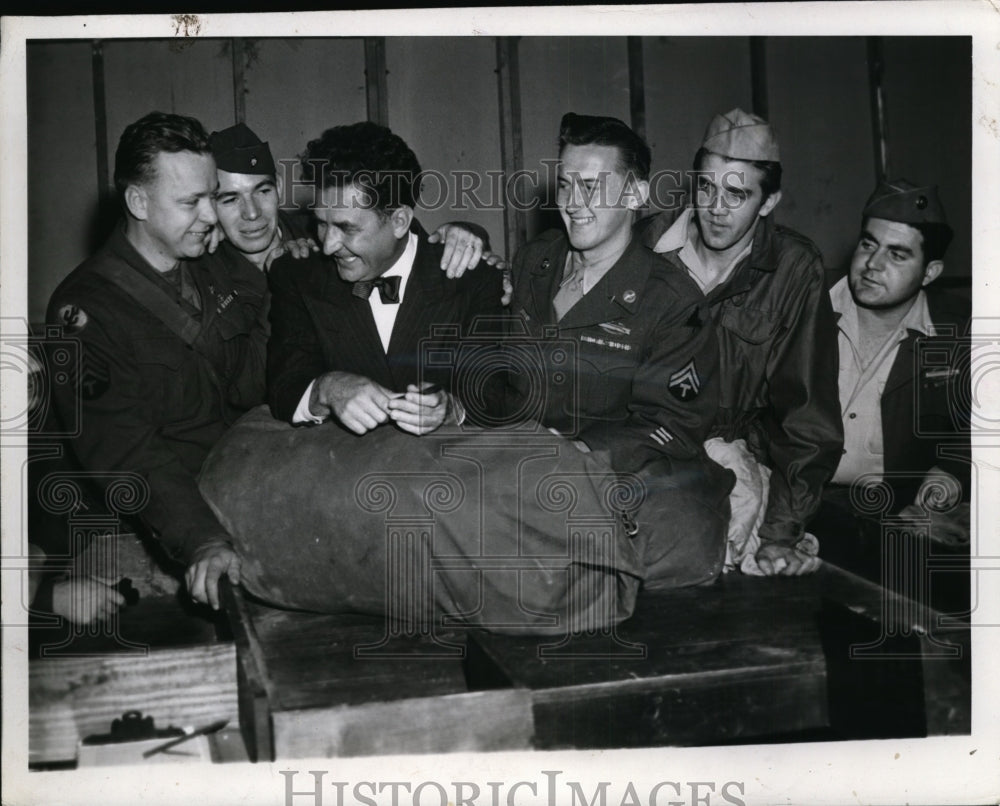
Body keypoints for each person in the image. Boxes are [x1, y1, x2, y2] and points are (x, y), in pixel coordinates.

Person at [502, 112, 734, 590]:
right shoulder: (534, 262)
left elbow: (674, 424)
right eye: (566, 186)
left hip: (620, 481)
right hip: (523, 472)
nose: (573, 204)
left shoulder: (671, 301)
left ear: (635, 195)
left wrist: (577, 454)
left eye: (592, 186)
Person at [46, 111, 266, 611]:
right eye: (191, 202)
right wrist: (202, 541)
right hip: (178, 522)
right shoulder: (84, 312)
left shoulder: (214, 264)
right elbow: (128, 456)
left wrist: (455, 234)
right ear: (138, 202)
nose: (212, 216)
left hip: (253, 481)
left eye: (212, 196)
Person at [635, 108, 843, 576]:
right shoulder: (644, 243)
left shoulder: (793, 268)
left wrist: (780, 533)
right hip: (643, 457)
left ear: (769, 202)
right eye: (706, 187)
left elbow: (806, 418)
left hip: (733, 469)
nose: (716, 208)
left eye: (737, 193)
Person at [266, 121, 504, 433]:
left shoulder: (473, 279)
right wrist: (326, 389)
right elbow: (282, 386)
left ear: (400, 221)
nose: (327, 245)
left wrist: (451, 409)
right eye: (321, 223)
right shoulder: (296, 274)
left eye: (347, 227)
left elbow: (496, 395)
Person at [822, 179, 970, 517]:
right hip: (792, 498)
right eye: (868, 244)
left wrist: (954, 471)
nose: (873, 264)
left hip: (892, 514)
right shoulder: (806, 300)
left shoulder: (959, 331)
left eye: (897, 254)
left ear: (929, 273)